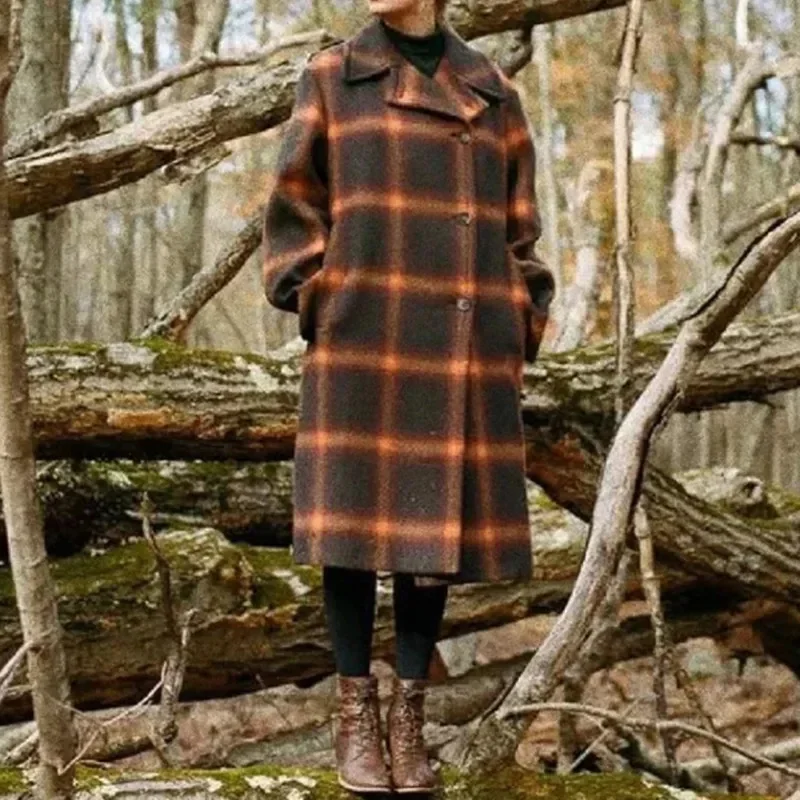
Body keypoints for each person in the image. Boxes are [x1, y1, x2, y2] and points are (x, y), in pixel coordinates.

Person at [262, 0, 555, 793]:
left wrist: (518, 316)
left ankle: (409, 717)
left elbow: (520, 228)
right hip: (365, 332)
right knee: (352, 525)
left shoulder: (491, 89)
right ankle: (355, 716)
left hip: (464, 342)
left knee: (435, 538)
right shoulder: (333, 75)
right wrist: (323, 295)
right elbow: (292, 207)